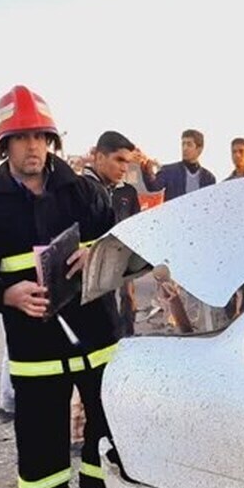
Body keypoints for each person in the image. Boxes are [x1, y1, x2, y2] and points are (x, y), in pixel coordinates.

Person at [0, 86, 147, 488]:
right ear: (4, 146)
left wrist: (98, 253)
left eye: (39, 137)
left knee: (106, 432)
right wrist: (6, 293)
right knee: (39, 440)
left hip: (95, 337)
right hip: (35, 345)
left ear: (51, 141)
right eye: (20, 138)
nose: (32, 148)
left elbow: (127, 247)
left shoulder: (84, 191)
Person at [81, 130, 143, 336]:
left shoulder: (126, 192)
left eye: (127, 162)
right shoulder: (80, 191)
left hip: (119, 268)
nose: (124, 168)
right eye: (118, 160)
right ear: (99, 157)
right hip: (87, 279)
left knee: (123, 316)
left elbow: (135, 228)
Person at [139, 129, 216, 201]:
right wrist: (148, 172)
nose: (184, 148)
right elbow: (153, 187)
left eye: (189, 144)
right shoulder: (169, 171)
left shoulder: (209, 178)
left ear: (199, 149)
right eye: (183, 144)